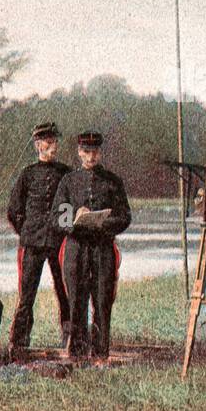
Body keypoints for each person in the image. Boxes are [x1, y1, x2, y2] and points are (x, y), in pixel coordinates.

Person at [50, 131, 131, 359]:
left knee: (103, 301)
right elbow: (57, 217)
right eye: (86, 152)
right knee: (76, 301)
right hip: (76, 248)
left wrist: (104, 222)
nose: (91, 156)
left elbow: (125, 217)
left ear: (100, 152)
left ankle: (100, 353)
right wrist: (75, 217)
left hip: (103, 247)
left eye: (95, 151)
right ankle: (76, 353)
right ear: (79, 152)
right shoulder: (68, 181)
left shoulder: (113, 181)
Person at [6, 122, 72, 354]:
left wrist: (63, 231)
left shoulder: (66, 173)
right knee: (26, 295)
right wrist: (26, 231)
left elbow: (69, 208)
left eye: (55, 142)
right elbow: (13, 210)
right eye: (48, 142)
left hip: (59, 242)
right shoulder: (28, 174)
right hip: (32, 243)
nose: (53, 146)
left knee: (65, 290)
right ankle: (19, 342)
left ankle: (71, 338)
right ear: (37, 145)